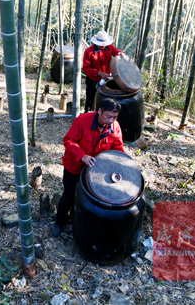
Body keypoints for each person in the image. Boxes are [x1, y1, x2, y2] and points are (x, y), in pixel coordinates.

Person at [53, 98, 126, 237]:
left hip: (96, 171)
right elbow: (68, 140)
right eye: (108, 116)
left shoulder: (115, 127)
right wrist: (82, 155)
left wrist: (122, 164)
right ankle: (59, 222)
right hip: (74, 166)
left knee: (87, 198)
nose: (111, 120)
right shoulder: (82, 121)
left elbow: (117, 147)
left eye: (115, 117)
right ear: (99, 111)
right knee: (68, 195)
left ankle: (77, 221)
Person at [82, 30, 122, 112]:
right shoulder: (89, 51)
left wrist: (121, 54)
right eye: (101, 45)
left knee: (103, 99)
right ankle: (87, 113)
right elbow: (85, 68)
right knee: (90, 97)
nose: (104, 46)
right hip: (92, 79)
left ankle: (99, 113)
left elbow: (116, 51)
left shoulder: (110, 47)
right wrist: (99, 73)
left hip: (105, 79)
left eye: (105, 44)